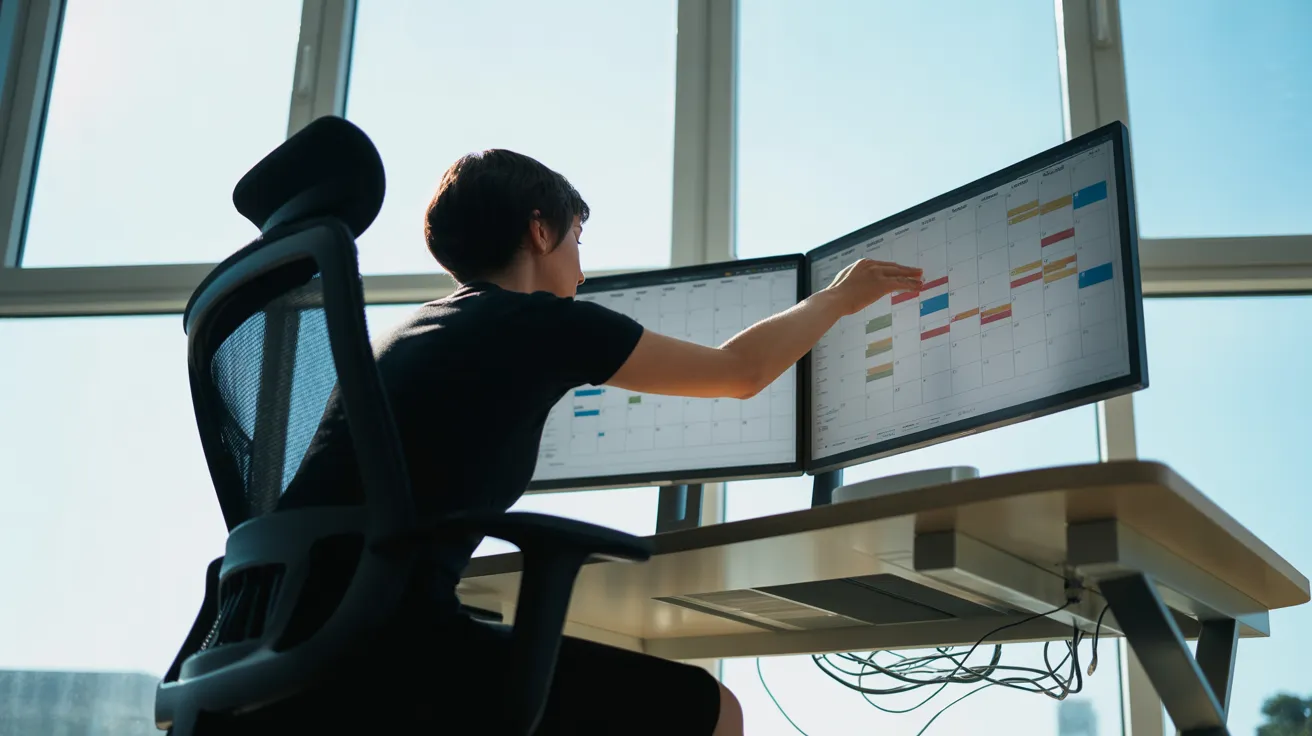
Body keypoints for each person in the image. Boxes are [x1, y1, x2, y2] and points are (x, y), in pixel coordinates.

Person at [282, 149, 922, 734]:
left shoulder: (406, 334)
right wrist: (836, 299)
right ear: (540, 231)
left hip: (281, 637)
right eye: (577, 241)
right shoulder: (537, 323)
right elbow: (740, 372)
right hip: (385, 650)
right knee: (714, 711)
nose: (582, 272)